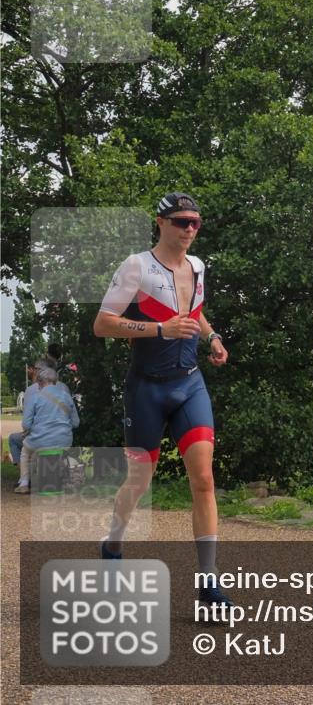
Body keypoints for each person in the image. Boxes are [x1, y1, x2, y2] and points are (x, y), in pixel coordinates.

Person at [93, 191, 231, 609]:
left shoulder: (198, 266)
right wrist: (159, 330)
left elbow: (195, 310)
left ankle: (208, 585)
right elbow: (103, 324)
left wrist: (212, 336)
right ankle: (113, 543)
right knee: (139, 482)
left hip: (190, 384)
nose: (189, 229)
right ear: (161, 222)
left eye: (195, 223)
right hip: (146, 389)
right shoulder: (137, 266)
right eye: (181, 222)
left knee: (204, 479)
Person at [15, 366, 79, 494]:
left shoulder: (35, 397)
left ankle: (24, 484)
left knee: (25, 452)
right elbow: (76, 423)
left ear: (39, 382)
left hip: (40, 441)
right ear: (56, 381)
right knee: (58, 448)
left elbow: (26, 425)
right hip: (64, 441)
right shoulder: (67, 397)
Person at [8, 358, 66, 471]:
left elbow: (26, 424)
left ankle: (26, 478)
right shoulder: (63, 387)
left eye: (34, 368)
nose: (31, 371)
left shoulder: (31, 390)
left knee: (13, 439)